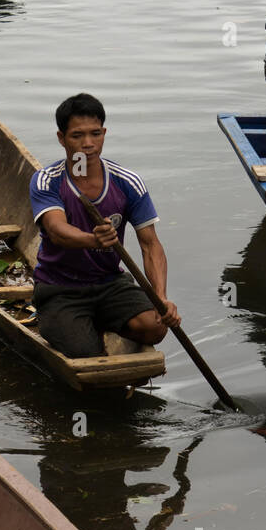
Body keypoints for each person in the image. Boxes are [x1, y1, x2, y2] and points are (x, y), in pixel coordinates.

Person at [28, 93, 180, 358]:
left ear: (104, 133)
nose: (88, 144)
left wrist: (161, 298)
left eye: (95, 134)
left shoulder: (127, 181)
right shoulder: (47, 181)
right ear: (61, 138)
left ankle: (96, 319)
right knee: (84, 352)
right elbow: (56, 230)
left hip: (109, 282)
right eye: (77, 136)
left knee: (155, 327)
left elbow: (150, 244)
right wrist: (92, 240)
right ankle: (64, 321)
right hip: (60, 287)